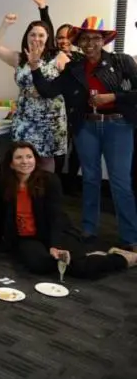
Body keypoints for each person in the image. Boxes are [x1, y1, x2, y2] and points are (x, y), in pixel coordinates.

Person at [30, 17, 137, 251]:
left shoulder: (122, 62)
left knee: (120, 182)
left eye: (95, 38)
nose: (90, 43)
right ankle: (89, 230)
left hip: (118, 126)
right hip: (86, 127)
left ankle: (130, 237)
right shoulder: (73, 69)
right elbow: (47, 91)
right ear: (78, 42)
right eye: (85, 39)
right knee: (89, 179)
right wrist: (35, 66)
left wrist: (113, 97)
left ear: (103, 40)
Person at [0, 142, 137, 276]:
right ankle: (91, 257)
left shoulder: (50, 180)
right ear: (11, 163)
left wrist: (55, 245)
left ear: (35, 160)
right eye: (19, 158)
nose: (25, 161)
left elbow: (55, 217)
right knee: (39, 265)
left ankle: (121, 259)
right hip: (27, 237)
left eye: (29, 157)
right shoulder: (2, 182)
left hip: (54, 231)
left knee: (80, 268)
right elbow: (0, 213)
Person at [0, 11, 66, 172]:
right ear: (27, 37)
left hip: (50, 120)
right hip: (24, 118)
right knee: (21, 159)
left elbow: (70, 83)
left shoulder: (58, 57)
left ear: (48, 37)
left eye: (41, 35)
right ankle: (22, 188)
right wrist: (5, 25)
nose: (36, 38)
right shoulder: (19, 59)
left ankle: (44, 189)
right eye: (32, 34)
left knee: (45, 161)